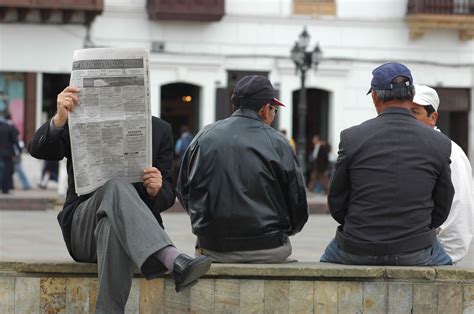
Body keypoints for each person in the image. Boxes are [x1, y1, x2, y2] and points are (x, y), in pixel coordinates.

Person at [28, 86, 211, 314]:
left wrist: (157, 189)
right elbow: (38, 149)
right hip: (83, 229)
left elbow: (167, 196)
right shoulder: (80, 123)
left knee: (111, 225)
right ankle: (170, 257)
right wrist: (59, 119)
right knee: (115, 185)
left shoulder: (160, 130)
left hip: (132, 239)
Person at [321, 62, 454, 266]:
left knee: (325, 263)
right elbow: (442, 206)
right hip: (415, 249)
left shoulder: (352, 137)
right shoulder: (439, 143)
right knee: (448, 267)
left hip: (357, 247)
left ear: (375, 96)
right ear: (411, 97)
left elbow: (337, 202)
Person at [177, 75, 308, 263]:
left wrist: (208, 225)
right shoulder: (279, 142)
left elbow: (184, 191)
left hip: (213, 247)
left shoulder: (204, 135)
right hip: (267, 247)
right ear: (264, 109)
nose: (273, 115)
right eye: (274, 110)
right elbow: (298, 207)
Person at [410, 84, 473, 263]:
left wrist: (444, 259)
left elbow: (460, 210)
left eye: (414, 112)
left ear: (433, 118)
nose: (407, 118)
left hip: (429, 258)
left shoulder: (452, 154)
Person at [0, 111, 18, 194]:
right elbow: (14, 140)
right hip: (7, 153)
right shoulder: (9, 127)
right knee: (6, 171)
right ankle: (5, 189)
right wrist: (19, 151)